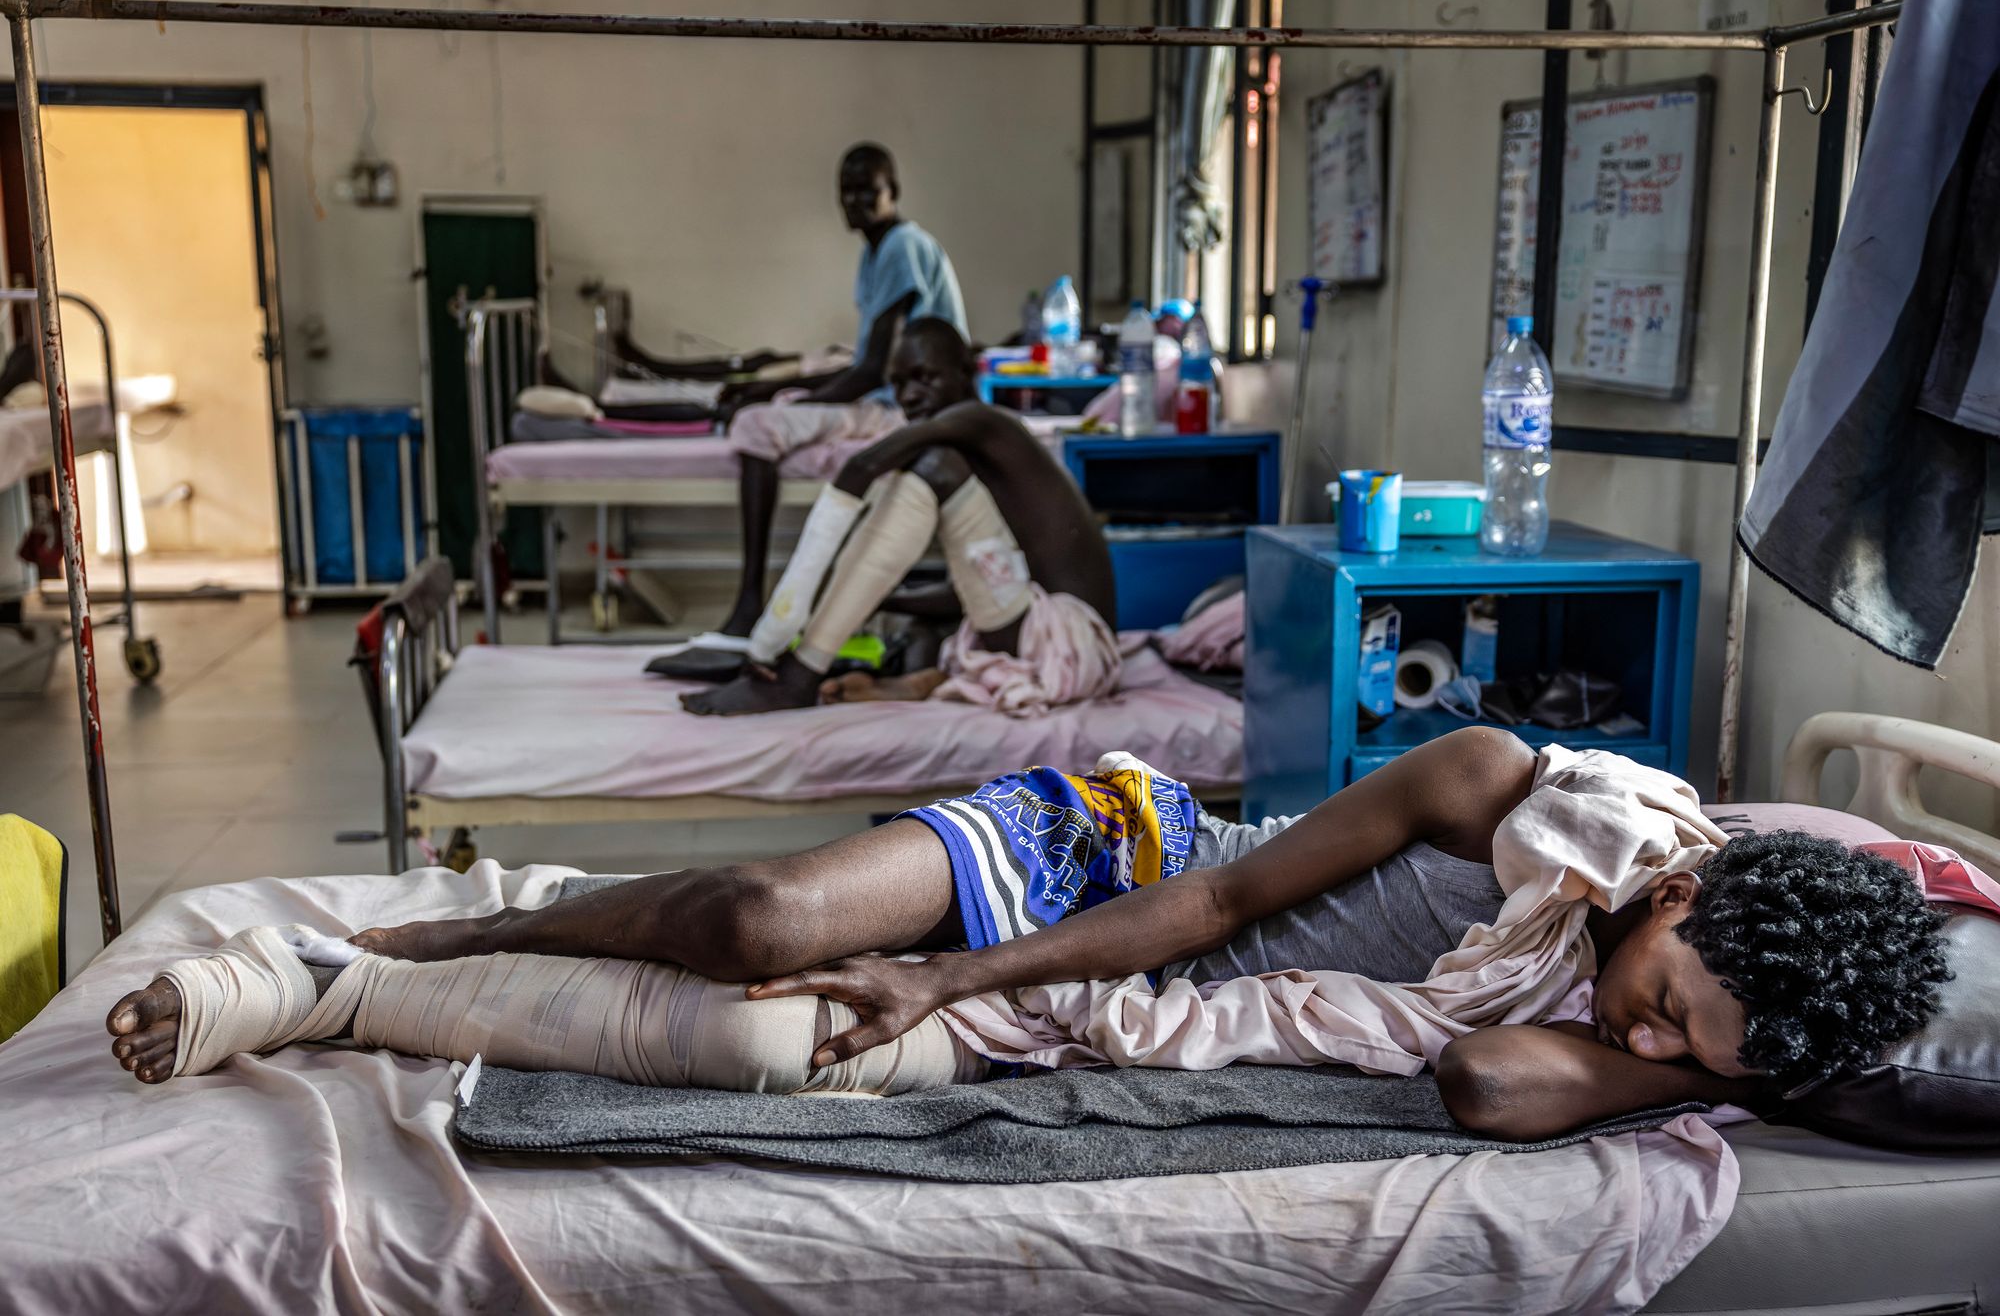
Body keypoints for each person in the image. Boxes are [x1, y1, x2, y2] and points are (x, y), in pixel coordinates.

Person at [107, 731, 1953, 1142]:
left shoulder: (1635, 1031)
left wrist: (1696, 1068)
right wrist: (947, 967)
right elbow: (1216, 901)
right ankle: (465, 918)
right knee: (756, 920)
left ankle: (342, 993)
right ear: (1677, 891)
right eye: (1668, 1003)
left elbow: (1487, 1080)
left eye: (1695, 1058)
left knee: (760, 1033)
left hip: (1128, 984)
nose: (1654, 1043)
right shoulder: (1500, 790)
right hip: (1115, 859)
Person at [676, 318, 1118, 717]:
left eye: (925, 377)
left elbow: (862, 468)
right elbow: (980, 585)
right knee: (918, 629)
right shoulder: (975, 453)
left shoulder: (981, 422)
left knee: (930, 467)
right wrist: (881, 598)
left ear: (965, 372)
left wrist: (783, 620)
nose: (908, 396)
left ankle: (801, 674)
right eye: (899, 383)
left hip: (1069, 647)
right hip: (1047, 634)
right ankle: (900, 680)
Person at [712, 143, 967, 639]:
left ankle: (748, 600)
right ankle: (753, 603)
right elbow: (864, 362)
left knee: (757, 425)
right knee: (773, 400)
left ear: (893, 191)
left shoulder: (901, 247)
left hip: (905, 407)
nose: (854, 202)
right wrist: (780, 389)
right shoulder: (877, 251)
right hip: (884, 396)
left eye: (867, 191)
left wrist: (794, 399)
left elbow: (873, 371)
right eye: (846, 192)